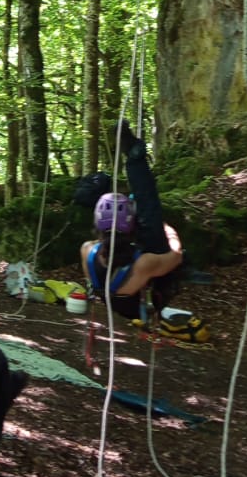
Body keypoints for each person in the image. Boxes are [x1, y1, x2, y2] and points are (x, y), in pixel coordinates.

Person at [79, 120, 205, 328]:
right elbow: (176, 256)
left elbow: (110, 247)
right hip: (139, 306)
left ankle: (136, 158)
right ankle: (136, 160)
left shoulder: (87, 249)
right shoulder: (144, 262)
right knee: (153, 227)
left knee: (145, 215)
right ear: (130, 228)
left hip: (109, 295)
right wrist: (170, 232)